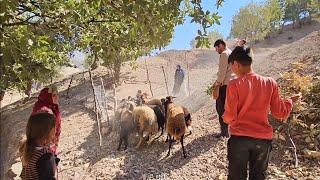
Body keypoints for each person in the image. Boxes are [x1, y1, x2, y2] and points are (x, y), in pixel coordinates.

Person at [224, 46, 299, 180]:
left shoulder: (234, 84)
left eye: (231, 66)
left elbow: (230, 116)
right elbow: (279, 113)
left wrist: (226, 118)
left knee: (236, 176)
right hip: (263, 141)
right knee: (258, 176)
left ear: (236, 63)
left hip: (240, 140)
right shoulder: (270, 82)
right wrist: (289, 102)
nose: (232, 70)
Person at [19, 112, 59, 180]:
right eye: (54, 130)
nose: (55, 132)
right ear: (48, 133)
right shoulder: (46, 157)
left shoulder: (26, 147)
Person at [32, 86, 61, 154]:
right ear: (47, 96)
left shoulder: (51, 106)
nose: (56, 97)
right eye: (53, 95)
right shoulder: (44, 111)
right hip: (44, 145)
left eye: (57, 94)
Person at [212, 39, 233, 138]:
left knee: (220, 108)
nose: (217, 51)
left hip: (224, 85)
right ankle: (229, 131)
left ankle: (225, 133)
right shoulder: (231, 53)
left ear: (221, 45)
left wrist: (217, 84)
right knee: (228, 107)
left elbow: (222, 72)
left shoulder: (224, 54)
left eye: (217, 48)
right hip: (232, 84)